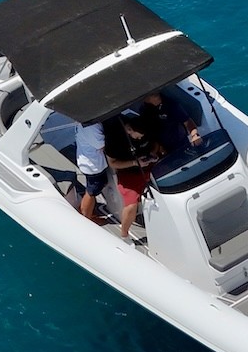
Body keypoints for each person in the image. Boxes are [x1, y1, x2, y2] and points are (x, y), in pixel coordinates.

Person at [102, 110, 163, 240]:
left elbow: (155, 143)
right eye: (137, 137)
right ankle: (124, 234)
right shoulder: (114, 141)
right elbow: (113, 163)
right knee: (131, 205)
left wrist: (152, 154)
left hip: (150, 165)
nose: (140, 139)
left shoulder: (145, 129)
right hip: (129, 171)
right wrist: (135, 163)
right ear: (129, 130)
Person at [130, 89, 201, 155]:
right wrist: (159, 146)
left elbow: (187, 121)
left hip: (180, 141)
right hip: (163, 145)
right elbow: (151, 130)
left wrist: (194, 135)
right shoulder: (144, 109)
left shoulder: (172, 105)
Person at [72, 120, 111, 224]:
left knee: (93, 189)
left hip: (88, 162)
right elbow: (101, 145)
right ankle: (86, 219)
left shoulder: (82, 124)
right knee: (91, 192)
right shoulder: (91, 128)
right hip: (93, 165)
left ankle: (87, 213)